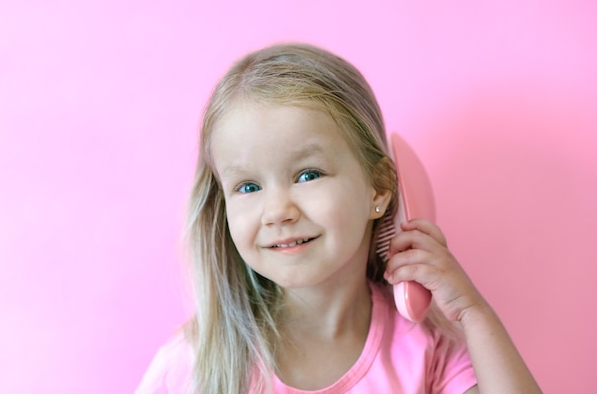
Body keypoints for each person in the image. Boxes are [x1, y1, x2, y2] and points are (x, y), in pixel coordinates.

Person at [135, 43, 542, 394]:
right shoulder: (193, 363)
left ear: (378, 188)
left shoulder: (426, 349)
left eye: (308, 175)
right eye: (248, 187)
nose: (278, 211)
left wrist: (473, 313)